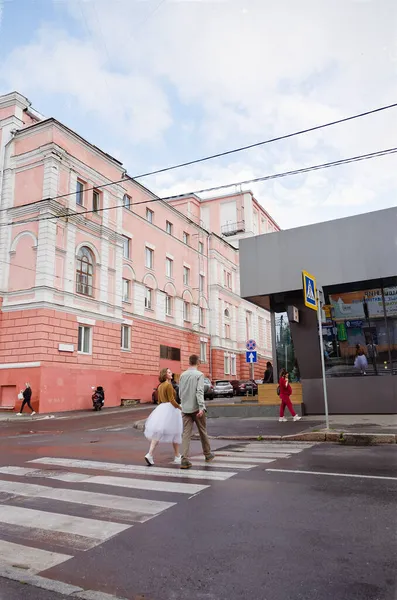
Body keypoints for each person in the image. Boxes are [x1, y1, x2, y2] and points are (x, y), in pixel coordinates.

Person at [178, 354, 214, 469]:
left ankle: (184, 459)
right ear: (198, 362)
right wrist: (201, 407)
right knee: (202, 431)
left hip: (185, 408)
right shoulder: (199, 375)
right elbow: (199, 391)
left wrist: (183, 405)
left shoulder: (182, 375)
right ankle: (208, 454)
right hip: (196, 409)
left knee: (186, 434)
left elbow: (180, 393)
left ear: (189, 362)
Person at [144, 368, 182, 466]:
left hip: (161, 408)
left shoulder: (160, 386)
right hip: (171, 409)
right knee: (176, 432)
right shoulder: (168, 385)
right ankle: (177, 456)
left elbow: (159, 401)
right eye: (169, 372)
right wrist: (180, 408)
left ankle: (150, 453)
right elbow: (172, 400)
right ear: (165, 375)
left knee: (158, 432)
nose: (171, 373)